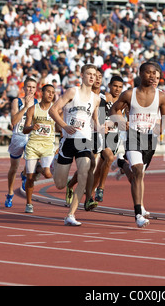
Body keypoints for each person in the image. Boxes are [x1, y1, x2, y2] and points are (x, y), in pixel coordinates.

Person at [109, 62, 165, 228]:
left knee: (138, 175)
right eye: (148, 73)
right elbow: (113, 111)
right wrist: (120, 121)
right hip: (134, 136)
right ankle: (138, 214)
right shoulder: (129, 94)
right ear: (141, 74)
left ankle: (121, 163)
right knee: (137, 171)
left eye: (155, 74)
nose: (152, 76)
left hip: (150, 140)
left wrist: (161, 128)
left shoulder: (162, 96)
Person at [49, 64, 101, 226]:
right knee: (59, 184)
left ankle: (71, 214)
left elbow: (96, 123)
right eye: (89, 74)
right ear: (82, 75)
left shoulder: (96, 99)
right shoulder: (73, 92)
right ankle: (55, 162)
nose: (92, 77)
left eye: (94, 74)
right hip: (68, 140)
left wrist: (105, 128)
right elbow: (53, 110)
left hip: (84, 140)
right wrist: (64, 126)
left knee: (84, 173)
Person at [4, 77, 38, 208]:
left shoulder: (37, 103)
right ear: (23, 88)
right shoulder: (16, 101)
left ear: (36, 90)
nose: (30, 89)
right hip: (18, 136)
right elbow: (13, 121)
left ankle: (24, 174)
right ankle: (10, 192)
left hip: (30, 136)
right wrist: (25, 107)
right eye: (28, 87)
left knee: (34, 159)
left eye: (33, 87)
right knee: (13, 168)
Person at [22, 84, 56, 213]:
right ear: (42, 93)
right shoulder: (32, 109)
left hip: (47, 145)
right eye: (48, 91)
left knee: (47, 174)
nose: (51, 94)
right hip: (33, 145)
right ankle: (29, 204)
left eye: (53, 92)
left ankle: (39, 167)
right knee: (30, 177)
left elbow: (60, 128)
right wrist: (32, 127)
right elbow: (25, 130)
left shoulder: (55, 109)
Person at [93, 75, 125, 202]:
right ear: (110, 86)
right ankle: (101, 188)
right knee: (109, 158)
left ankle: (90, 194)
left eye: (120, 87)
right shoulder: (104, 97)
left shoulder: (124, 101)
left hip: (114, 137)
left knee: (102, 166)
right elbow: (98, 115)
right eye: (115, 86)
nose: (117, 89)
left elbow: (125, 118)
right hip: (101, 133)